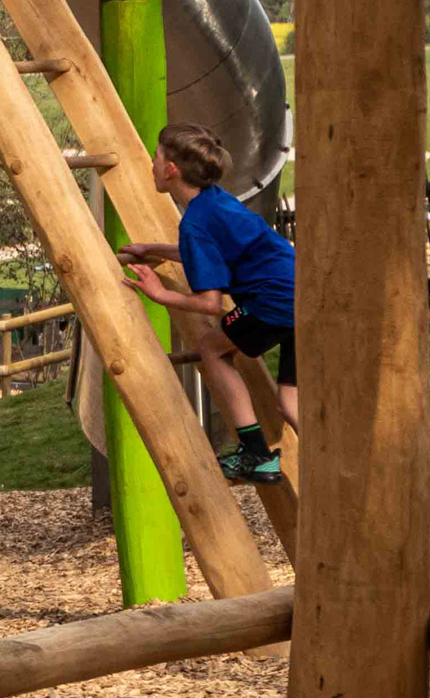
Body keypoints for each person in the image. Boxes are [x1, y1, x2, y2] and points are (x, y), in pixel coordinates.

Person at [116, 119, 298, 484]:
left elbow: (211, 304)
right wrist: (153, 250)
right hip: (302, 292)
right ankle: (344, 464)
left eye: (155, 156)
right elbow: (213, 253)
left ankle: (257, 455)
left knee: (212, 348)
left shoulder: (195, 222)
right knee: (289, 402)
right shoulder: (215, 202)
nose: (150, 164)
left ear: (170, 170)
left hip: (273, 300)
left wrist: (161, 294)